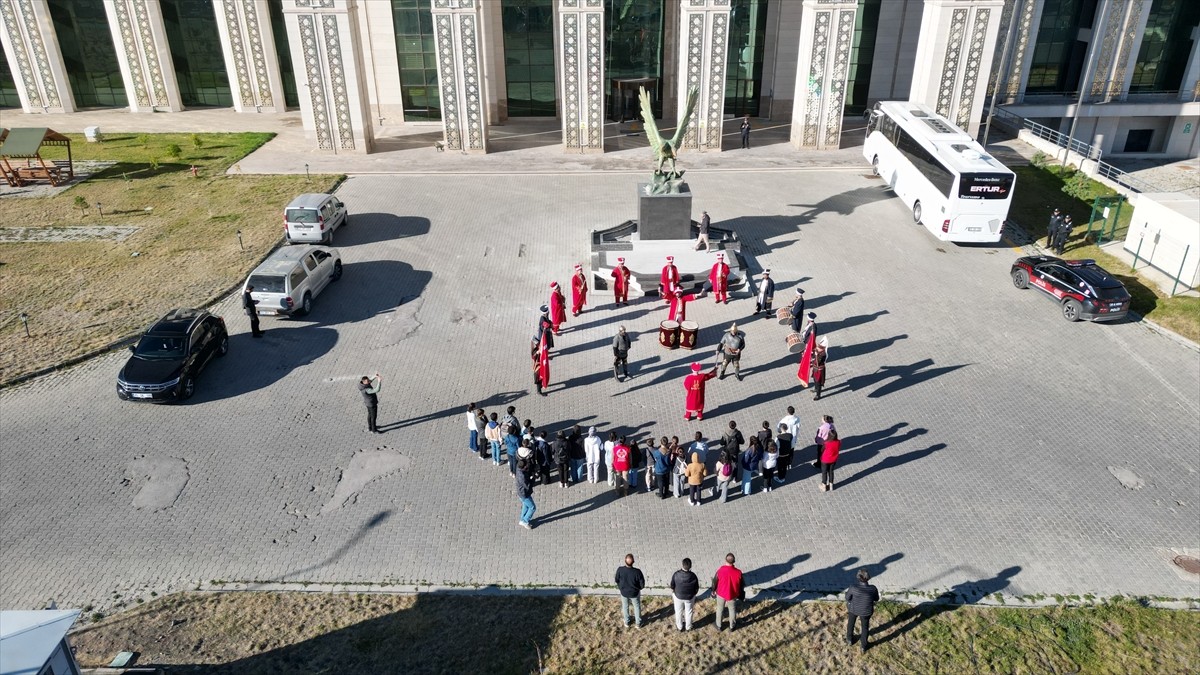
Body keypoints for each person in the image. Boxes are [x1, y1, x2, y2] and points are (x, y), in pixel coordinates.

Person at [846, 569, 881, 651]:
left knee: (851, 623)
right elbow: (876, 599)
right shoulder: (873, 588)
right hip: (866, 611)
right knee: (865, 627)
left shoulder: (853, 587)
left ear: (858, 577)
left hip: (853, 609)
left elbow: (847, 598)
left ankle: (849, 639)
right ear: (868, 578)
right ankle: (863, 646)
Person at [712, 553, 744, 631]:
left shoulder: (720, 570)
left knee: (720, 609)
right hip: (732, 595)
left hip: (721, 594)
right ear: (734, 561)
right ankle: (732, 626)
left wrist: (713, 591)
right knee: (732, 610)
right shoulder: (739, 572)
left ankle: (718, 625)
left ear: (725, 560)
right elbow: (741, 585)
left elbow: (715, 581)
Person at [615, 554, 646, 628]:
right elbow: (642, 584)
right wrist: (638, 589)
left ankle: (627, 622)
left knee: (625, 606)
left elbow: (617, 580)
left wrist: (621, 587)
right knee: (637, 607)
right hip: (634, 593)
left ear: (625, 561)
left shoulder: (620, 569)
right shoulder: (637, 572)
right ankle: (638, 623)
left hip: (624, 593)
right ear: (633, 562)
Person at [670, 558, 701, 631]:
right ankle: (688, 627)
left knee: (678, 612)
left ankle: (679, 627)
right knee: (689, 611)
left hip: (678, 596)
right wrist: (694, 594)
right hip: (689, 597)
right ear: (690, 566)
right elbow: (696, 587)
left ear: (682, 565)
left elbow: (672, 585)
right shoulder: (693, 576)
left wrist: (674, 591)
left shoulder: (676, 574)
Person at [516, 457, 536, 529]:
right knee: (532, 507)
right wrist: (533, 479)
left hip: (520, 493)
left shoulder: (518, 469)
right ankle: (525, 520)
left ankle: (522, 519)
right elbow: (527, 486)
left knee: (525, 506)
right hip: (524, 493)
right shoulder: (522, 476)